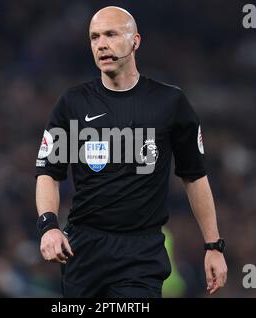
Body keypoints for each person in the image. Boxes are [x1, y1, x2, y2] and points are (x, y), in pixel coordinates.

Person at [35, 6, 227, 297]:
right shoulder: (72, 103)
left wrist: (213, 246)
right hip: (83, 250)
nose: (101, 44)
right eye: (94, 37)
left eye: (111, 34)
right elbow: (49, 172)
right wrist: (49, 225)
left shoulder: (170, 102)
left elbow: (195, 177)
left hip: (141, 253)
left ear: (135, 41)